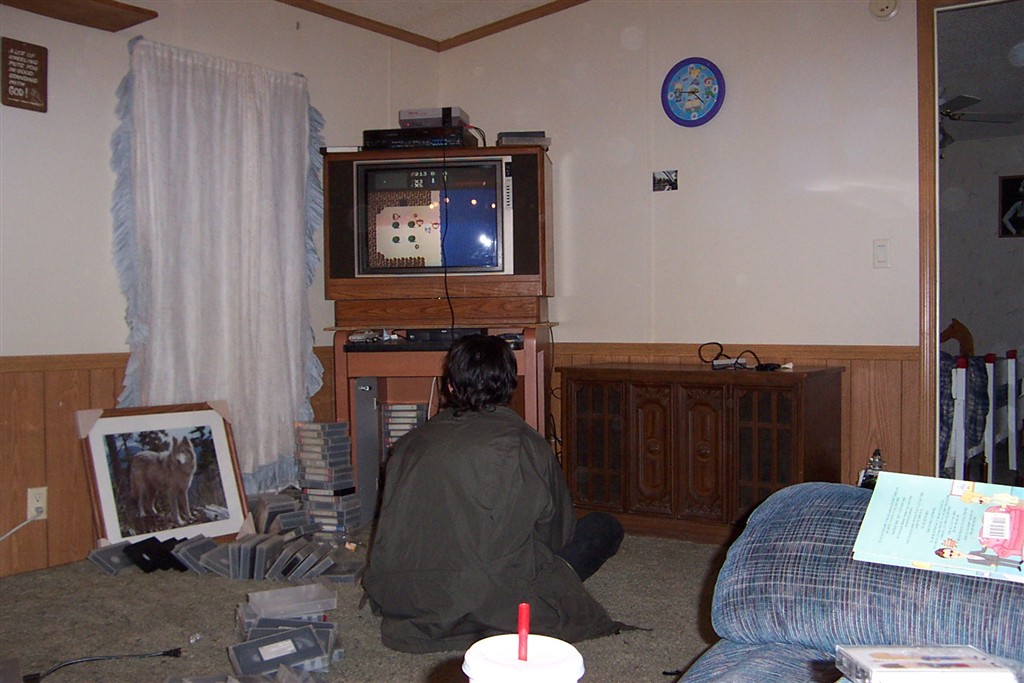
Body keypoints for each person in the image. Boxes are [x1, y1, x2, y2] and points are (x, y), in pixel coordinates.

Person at [362, 334, 628, 653]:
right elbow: (557, 534)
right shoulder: (525, 444)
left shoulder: (406, 446)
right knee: (603, 526)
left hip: (410, 596)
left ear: (450, 386)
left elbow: (389, 536)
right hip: (496, 597)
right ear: (509, 386)